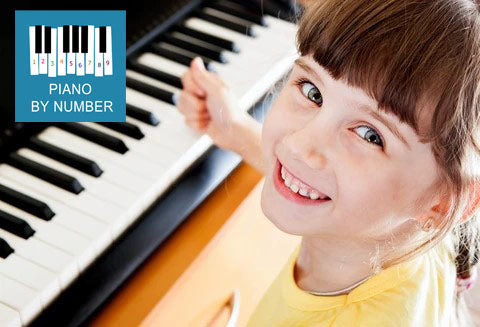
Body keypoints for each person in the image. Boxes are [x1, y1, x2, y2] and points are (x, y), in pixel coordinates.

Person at [176, 0, 480, 325]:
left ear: (443, 204)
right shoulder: (412, 231)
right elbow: (339, 185)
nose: (297, 145)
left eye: (369, 135)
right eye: (313, 92)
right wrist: (236, 131)